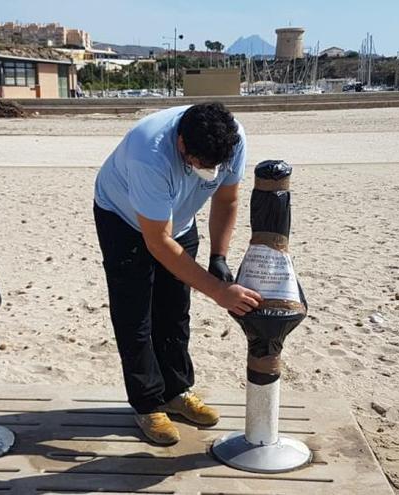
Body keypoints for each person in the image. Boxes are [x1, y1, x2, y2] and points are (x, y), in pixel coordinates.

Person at [94, 102, 262, 445]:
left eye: (214, 165)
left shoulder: (232, 140)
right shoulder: (149, 153)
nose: (208, 170)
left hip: (180, 218)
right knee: (135, 314)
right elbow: (157, 242)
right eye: (201, 164)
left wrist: (219, 256)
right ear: (182, 144)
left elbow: (227, 200)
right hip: (122, 218)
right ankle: (147, 403)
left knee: (174, 309)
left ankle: (176, 391)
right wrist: (218, 291)